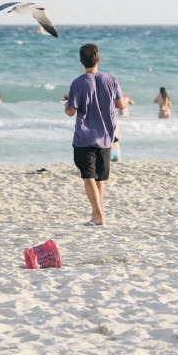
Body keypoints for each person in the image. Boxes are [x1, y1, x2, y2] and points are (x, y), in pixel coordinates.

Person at [63, 42, 127, 227]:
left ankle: (98, 216)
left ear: (81, 61)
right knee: (99, 177)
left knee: (88, 176)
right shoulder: (111, 80)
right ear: (98, 60)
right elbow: (121, 105)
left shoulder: (77, 82)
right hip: (106, 136)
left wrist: (69, 102)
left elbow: (70, 112)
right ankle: (96, 214)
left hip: (85, 137)